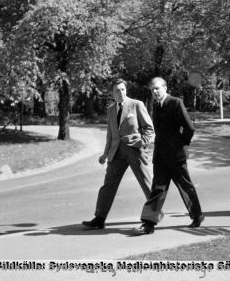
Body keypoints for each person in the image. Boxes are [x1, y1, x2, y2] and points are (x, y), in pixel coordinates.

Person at [134, 77, 204, 235]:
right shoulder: (156, 105)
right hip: (160, 156)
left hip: (176, 155)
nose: (155, 92)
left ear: (165, 88)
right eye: (152, 90)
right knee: (158, 189)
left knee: (186, 186)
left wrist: (181, 144)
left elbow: (189, 128)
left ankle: (197, 215)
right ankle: (149, 224)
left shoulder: (175, 102)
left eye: (157, 88)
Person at [82, 79, 155, 229]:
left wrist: (143, 142)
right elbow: (110, 134)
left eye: (123, 89)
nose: (121, 92)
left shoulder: (136, 105)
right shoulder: (110, 109)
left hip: (135, 151)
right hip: (116, 153)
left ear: (126, 90)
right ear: (112, 93)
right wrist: (105, 154)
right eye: (117, 90)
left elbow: (149, 128)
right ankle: (99, 218)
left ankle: (154, 215)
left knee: (147, 184)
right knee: (108, 186)